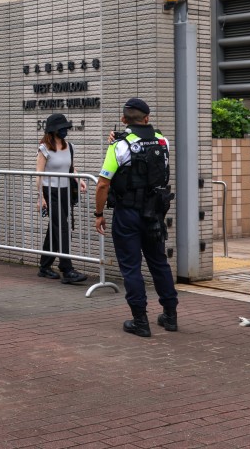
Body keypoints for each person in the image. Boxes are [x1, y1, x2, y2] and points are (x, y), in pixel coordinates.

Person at [95, 98, 178, 338]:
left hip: (127, 214)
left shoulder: (119, 146)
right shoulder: (163, 141)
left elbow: (102, 184)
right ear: (147, 118)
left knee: (131, 267)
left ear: (123, 119)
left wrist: (98, 214)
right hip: (154, 213)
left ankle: (140, 321)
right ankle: (170, 316)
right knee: (159, 262)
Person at [35, 113, 88, 284]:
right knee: (62, 227)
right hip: (50, 191)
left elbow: (71, 168)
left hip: (65, 191)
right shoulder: (44, 149)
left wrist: (79, 181)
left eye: (66, 127)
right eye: (62, 128)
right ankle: (67, 269)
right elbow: (38, 174)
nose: (65, 130)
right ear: (53, 130)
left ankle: (44, 266)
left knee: (55, 227)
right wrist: (40, 197)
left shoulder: (69, 147)